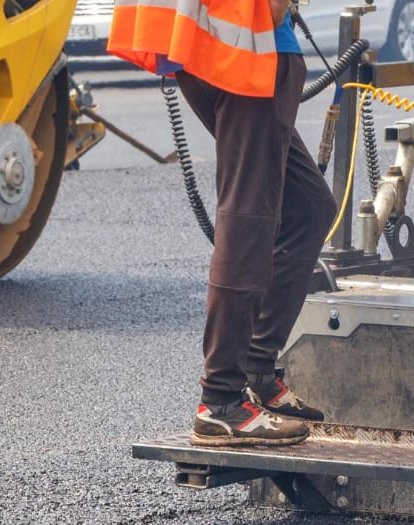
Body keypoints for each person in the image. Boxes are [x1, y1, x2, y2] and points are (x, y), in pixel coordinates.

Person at [108, 0, 337, 447]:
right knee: (248, 216)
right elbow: (270, 10)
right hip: (248, 53)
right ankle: (221, 402)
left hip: (205, 46)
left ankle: (255, 368)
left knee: (307, 208)